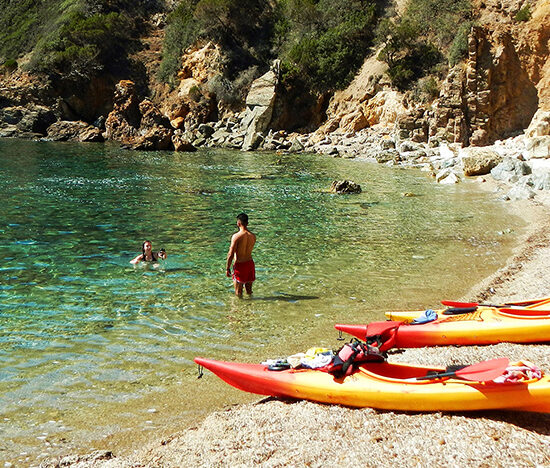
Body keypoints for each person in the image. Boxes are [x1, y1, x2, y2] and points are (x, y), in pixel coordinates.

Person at [226, 213, 256, 297]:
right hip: (250, 264)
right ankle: (250, 306)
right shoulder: (253, 236)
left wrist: (227, 268)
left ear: (238, 223)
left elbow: (230, 254)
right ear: (247, 223)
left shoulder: (236, 236)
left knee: (238, 293)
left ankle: (239, 309)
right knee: (249, 292)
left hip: (240, 265)